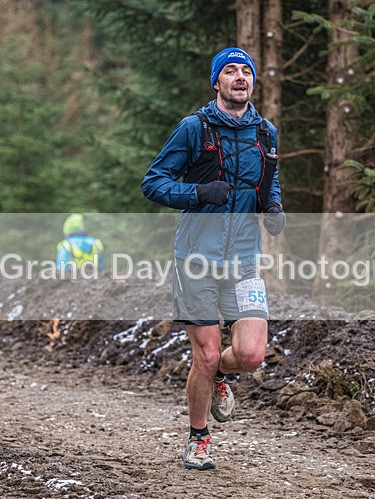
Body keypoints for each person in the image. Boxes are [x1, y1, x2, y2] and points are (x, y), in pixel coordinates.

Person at [141, 47, 286, 470]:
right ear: (216, 83)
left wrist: (273, 208)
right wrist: (198, 193)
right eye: (230, 71)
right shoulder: (194, 128)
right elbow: (153, 183)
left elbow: (269, 183)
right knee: (204, 355)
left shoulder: (266, 133)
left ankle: (222, 376)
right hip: (196, 260)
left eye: (246, 71)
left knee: (252, 354)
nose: (240, 77)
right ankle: (199, 438)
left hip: (244, 260)